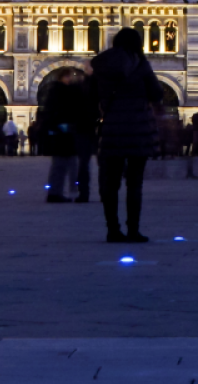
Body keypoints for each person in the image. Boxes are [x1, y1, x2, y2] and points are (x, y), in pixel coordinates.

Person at [91, 27, 162, 243]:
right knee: (134, 183)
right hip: (138, 131)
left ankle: (113, 229)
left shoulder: (101, 64)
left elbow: (91, 95)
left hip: (112, 130)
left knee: (110, 184)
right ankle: (133, 230)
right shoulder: (140, 64)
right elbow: (157, 93)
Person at [38, 69, 96, 203]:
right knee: (64, 163)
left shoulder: (56, 91)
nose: (71, 79)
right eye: (69, 76)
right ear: (63, 77)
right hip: (63, 133)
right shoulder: (62, 91)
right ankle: (59, 192)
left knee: (63, 163)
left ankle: (59, 191)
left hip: (61, 133)